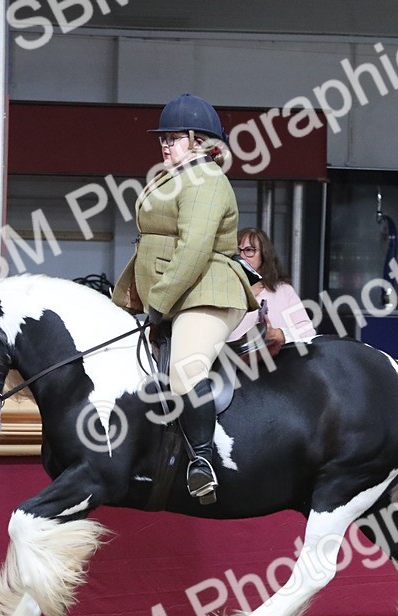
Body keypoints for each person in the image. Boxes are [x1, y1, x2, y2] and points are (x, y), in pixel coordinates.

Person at [112, 93, 258, 504]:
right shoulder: (168, 176)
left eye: (174, 137)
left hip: (208, 291)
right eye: (164, 137)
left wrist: (158, 303)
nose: (165, 143)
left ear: (199, 140)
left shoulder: (208, 180)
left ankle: (202, 463)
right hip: (172, 292)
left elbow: (193, 249)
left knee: (186, 369)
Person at [228, 227, 317, 354]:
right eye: (237, 250)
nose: (241, 256)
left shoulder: (283, 291)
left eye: (249, 250)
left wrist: (276, 334)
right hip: (234, 366)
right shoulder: (223, 292)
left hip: (277, 368)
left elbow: (308, 332)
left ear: (264, 255)